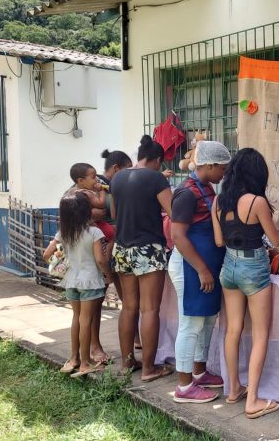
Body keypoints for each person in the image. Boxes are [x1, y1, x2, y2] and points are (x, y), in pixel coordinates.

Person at [210, 148, 279, 419]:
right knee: (260, 334)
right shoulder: (257, 202)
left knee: (233, 329)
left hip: (228, 266)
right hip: (253, 268)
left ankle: (233, 389)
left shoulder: (219, 201)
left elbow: (219, 241)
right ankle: (252, 401)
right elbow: (276, 241)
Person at [168, 140, 231, 404]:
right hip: (190, 267)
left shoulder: (206, 187)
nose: (224, 174)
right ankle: (184, 387)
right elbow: (178, 236)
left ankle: (199, 372)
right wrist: (202, 269)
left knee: (206, 321)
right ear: (210, 165)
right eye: (222, 169)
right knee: (191, 324)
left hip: (205, 267)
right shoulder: (187, 193)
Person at [111, 135, 174, 382]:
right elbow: (173, 212)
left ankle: (127, 363)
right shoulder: (156, 178)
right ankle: (149, 368)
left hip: (122, 247)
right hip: (148, 248)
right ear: (157, 160)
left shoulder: (117, 178)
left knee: (129, 307)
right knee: (150, 309)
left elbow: (114, 213)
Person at [44, 192, 113, 377]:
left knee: (76, 318)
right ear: (86, 211)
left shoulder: (63, 233)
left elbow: (46, 254)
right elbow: (100, 259)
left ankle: (73, 358)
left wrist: (60, 262)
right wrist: (109, 276)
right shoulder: (94, 232)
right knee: (86, 320)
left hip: (71, 280)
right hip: (90, 281)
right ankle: (85, 363)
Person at [69, 162, 112, 363]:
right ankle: (87, 355)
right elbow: (98, 210)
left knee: (82, 315)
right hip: (89, 264)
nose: (97, 180)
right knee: (87, 314)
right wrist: (108, 273)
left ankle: (77, 357)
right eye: (93, 177)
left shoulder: (84, 192)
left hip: (79, 272)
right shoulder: (77, 196)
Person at [97, 149, 138, 348]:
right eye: (128, 168)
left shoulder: (116, 185)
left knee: (128, 300)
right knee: (98, 299)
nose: (131, 172)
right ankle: (94, 346)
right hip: (103, 248)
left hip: (118, 247)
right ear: (116, 168)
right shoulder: (99, 186)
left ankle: (135, 338)